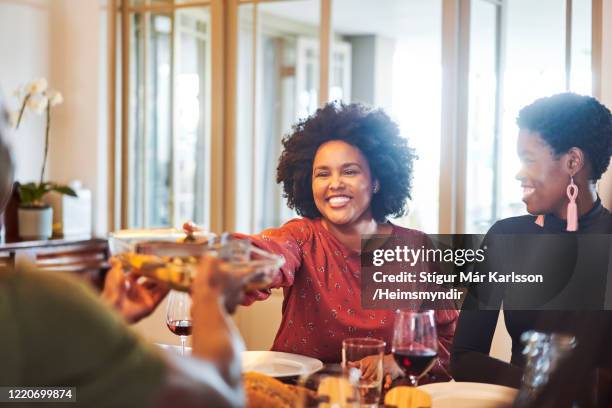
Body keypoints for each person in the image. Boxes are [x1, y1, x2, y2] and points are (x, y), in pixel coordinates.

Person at [0, 101, 244, 407]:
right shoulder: (27, 300)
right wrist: (210, 300)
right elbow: (220, 398)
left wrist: (104, 320)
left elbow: (35, 396)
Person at [236, 102, 458, 381]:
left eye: (349, 171)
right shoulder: (301, 236)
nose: (335, 183)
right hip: (299, 395)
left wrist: (396, 363)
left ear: (376, 180)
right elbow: (267, 254)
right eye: (323, 174)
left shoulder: (417, 249)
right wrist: (224, 253)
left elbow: (449, 342)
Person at [451, 92, 612, 388]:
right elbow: (464, 357)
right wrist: (540, 386)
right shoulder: (505, 237)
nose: (519, 174)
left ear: (573, 161)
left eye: (529, 160)